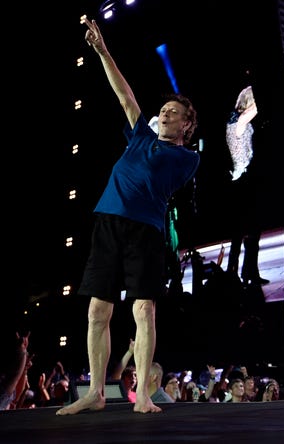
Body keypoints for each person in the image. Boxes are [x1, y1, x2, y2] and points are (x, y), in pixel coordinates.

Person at [56, 17, 200, 415]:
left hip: (145, 231)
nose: (165, 113)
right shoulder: (141, 135)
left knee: (142, 308)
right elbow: (123, 94)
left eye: (173, 112)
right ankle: (95, 392)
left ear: (187, 124)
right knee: (97, 310)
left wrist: (153, 130)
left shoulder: (186, 157)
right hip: (108, 221)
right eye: (163, 110)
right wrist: (103, 50)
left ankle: (146, 396)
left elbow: (159, 170)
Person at [225, 85, 269, 286]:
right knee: (240, 233)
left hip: (246, 180)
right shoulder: (236, 122)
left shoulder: (238, 122)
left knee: (252, 233)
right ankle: (235, 273)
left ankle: (249, 271)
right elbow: (253, 111)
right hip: (241, 182)